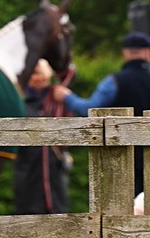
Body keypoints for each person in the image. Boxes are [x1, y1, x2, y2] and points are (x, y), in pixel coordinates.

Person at [53, 31, 150, 195]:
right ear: (148, 52)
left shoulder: (113, 81)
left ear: (124, 52)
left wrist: (67, 97)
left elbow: (90, 109)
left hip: (122, 157)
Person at [14, 59, 70, 215]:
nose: (38, 78)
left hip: (54, 167)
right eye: (34, 73)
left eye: (41, 73)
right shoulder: (19, 99)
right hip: (27, 166)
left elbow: (69, 71)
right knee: (27, 211)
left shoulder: (57, 98)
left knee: (57, 209)